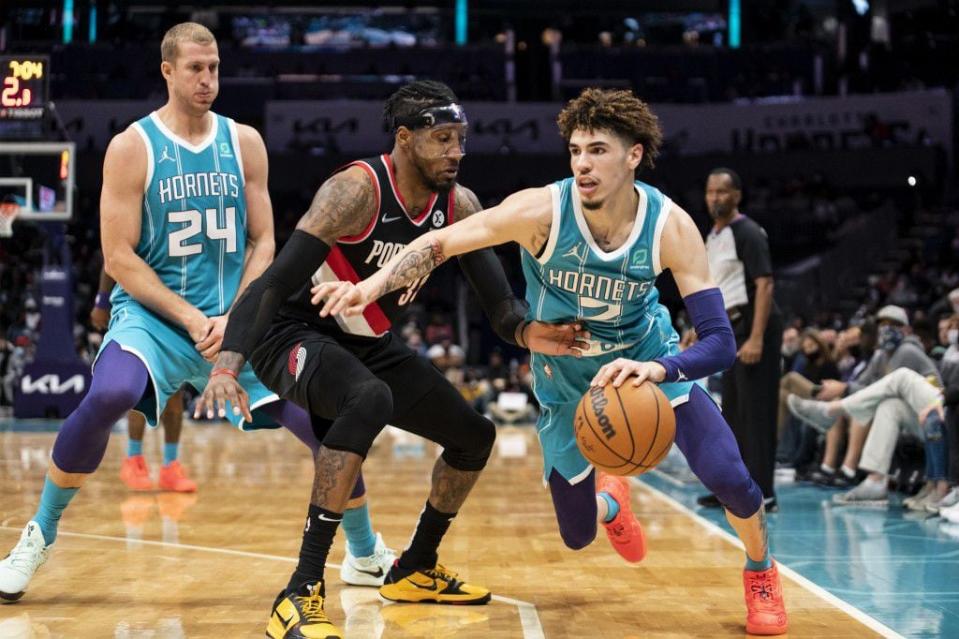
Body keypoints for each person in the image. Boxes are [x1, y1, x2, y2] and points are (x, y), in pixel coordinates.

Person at [314, 88, 789, 636]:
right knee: (578, 534)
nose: (582, 164)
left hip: (645, 365)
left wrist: (659, 369)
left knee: (729, 477)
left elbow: (720, 342)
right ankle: (613, 502)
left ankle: (760, 571)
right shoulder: (541, 210)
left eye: (598, 150)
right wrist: (370, 284)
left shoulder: (670, 225)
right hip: (566, 385)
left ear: (633, 155)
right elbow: (444, 242)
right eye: (575, 150)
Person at [0, 22, 392, 606]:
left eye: (214, 68)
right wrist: (190, 318)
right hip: (157, 318)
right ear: (167, 70)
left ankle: (363, 551)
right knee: (109, 395)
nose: (208, 79)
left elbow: (265, 242)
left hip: (241, 318)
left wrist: (237, 313)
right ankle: (37, 534)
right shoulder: (132, 146)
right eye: (195, 69)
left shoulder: (245, 142)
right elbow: (118, 256)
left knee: (324, 421)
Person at [194, 80, 586, 638]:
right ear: (404, 139)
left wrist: (531, 333)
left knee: (474, 435)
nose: (456, 152)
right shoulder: (355, 191)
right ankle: (299, 591)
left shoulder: (460, 206)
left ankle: (414, 567)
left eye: (462, 140)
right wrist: (229, 361)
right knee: (369, 398)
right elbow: (275, 282)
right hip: (290, 332)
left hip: (363, 337)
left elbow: (500, 306)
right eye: (442, 139)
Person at [700, 168, 783, 511]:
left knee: (756, 412)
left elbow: (765, 284)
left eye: (722, 192)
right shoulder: (714, 235)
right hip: (728, 328)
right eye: (710, 192)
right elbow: (716, 286)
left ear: (736, 196)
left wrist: (757, 338)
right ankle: (735, 488)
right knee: (731, 412)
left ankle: (763, 492)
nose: (715, 198)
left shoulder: (747, 231)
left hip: (752, 326)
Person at [91, 270, 194, 492]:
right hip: (139, 310)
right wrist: (101, 300)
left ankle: (170, 465)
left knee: (175, 393)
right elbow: (112, 260)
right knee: (141, 389)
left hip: (176, 307)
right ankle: (134, 459)